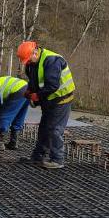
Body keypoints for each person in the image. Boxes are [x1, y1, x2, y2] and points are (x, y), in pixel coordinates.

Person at [16, 41, 75, 169]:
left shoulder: (52, 61)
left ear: (35, 52)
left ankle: (57, 160)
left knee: (54, 129)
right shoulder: (32, 64)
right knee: (44, 129)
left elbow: (52, 86)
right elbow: (34, 80)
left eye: (28, 59)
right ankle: (37, 157)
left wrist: (37, 96)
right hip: (49, 100)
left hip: (61, 99)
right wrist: (30, 91)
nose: (28, 63)